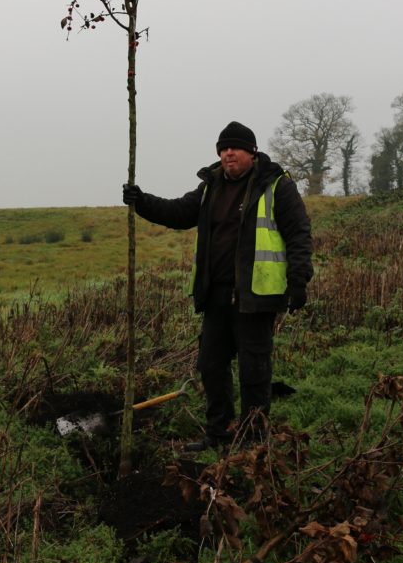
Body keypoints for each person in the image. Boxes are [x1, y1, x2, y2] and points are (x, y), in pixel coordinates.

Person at [122, 121, 313, 450]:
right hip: (216, 295)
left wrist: (298, 281)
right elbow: (180, 212)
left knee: (254, 369)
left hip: (256, 296)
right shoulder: (211, 186)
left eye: (235, 148)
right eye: (223, 149)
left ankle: (252, 439)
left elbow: (299, 234)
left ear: (252, 152)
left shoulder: (276, 186)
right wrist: (141, 202)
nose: (228, 153)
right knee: (212, 366)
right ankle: (219, 432)